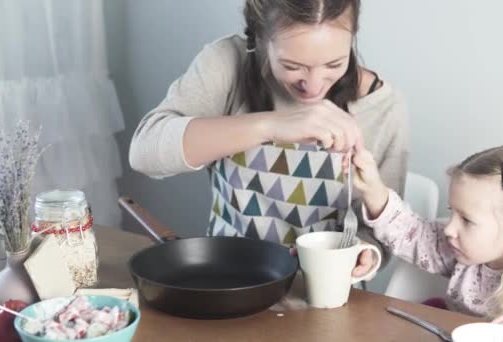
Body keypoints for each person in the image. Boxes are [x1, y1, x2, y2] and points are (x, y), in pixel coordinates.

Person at [129, 0, 410, 277]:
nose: (313, 85)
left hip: (326, 301)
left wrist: (364, 251)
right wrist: (270, 125)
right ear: (260, 38)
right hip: (225, 282)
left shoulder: (382, 106)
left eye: (334, 63)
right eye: (292, 66)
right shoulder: (227, 63)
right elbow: (144, 152)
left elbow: (383, 228)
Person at [352, 143, 503, 339]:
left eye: (467, 220)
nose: (450, 228)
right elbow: (409, 232)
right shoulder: (457, 252)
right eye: (452, 212)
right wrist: (373, 189)